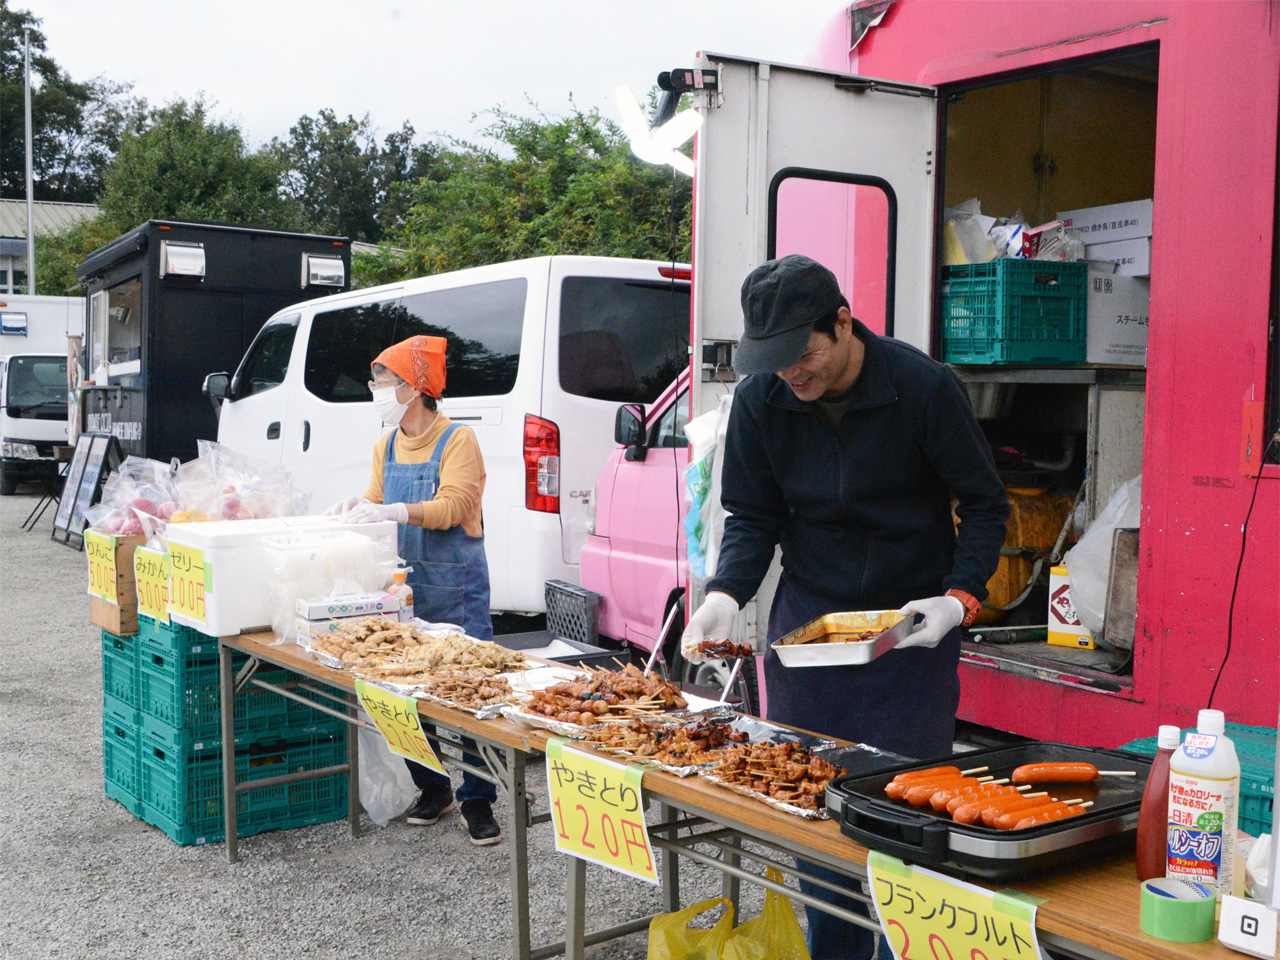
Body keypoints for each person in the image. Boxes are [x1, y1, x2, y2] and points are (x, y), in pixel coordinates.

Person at [680, 255, 1009, 959]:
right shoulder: (765, 401)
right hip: (808, 629)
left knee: (905, 820)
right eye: (774, 362)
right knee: (815, 812)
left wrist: (959, 598)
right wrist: (723, 596)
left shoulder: (922, 388)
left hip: (911, 633)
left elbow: (984, 505)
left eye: (804, 355)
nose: (793, 375)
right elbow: (750, 516)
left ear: (843, 321)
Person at [325, 334, 501, 846]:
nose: (375, 388)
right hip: (404, 589)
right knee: (399, 694)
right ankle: (433, 786)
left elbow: (453, 506)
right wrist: (356, 509)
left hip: (456, 587)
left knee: (465, 695)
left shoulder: (458, 440)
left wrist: (395, 512)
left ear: (414, 386)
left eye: (381, 379)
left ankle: (478, 798)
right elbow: (376, 504)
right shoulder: (386, 444)